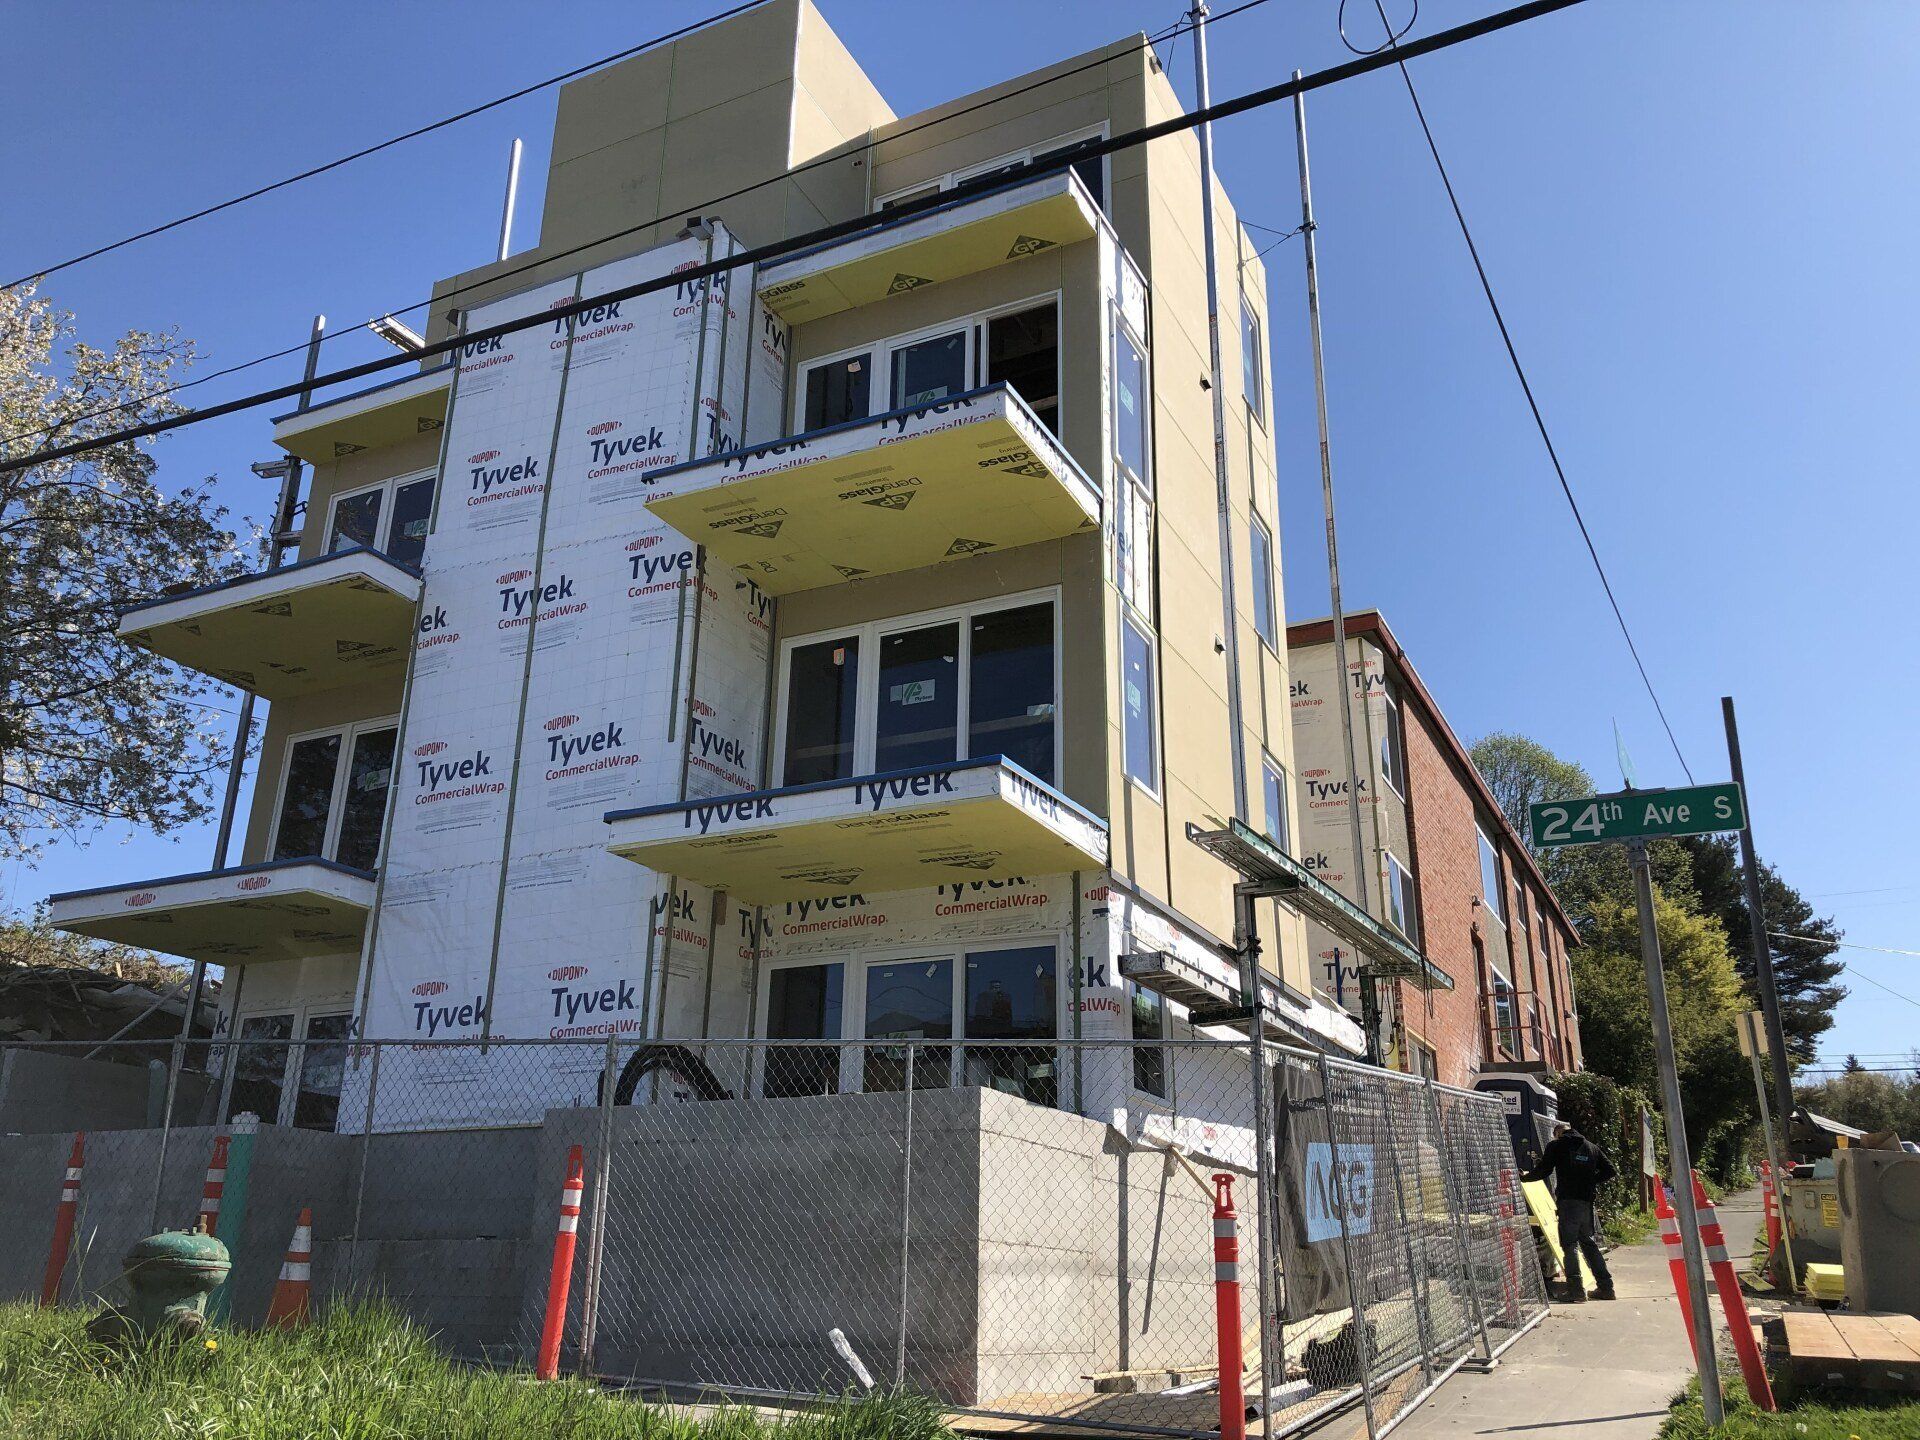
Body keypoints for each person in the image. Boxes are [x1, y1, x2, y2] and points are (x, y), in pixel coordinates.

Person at [1522, 1119, 1617, 1301]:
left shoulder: (1557, 1145)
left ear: (1557, 1133)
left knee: (1569, 1245)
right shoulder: (1591, 1148)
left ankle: (1576, 1290)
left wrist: (1524, 1178)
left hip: (1568, 1202)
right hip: (1586, 1202)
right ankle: (1606, 1287)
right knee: (1589, 1243)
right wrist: (1589, 1181)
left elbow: (1544, 1170)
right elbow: (1610, 1170)